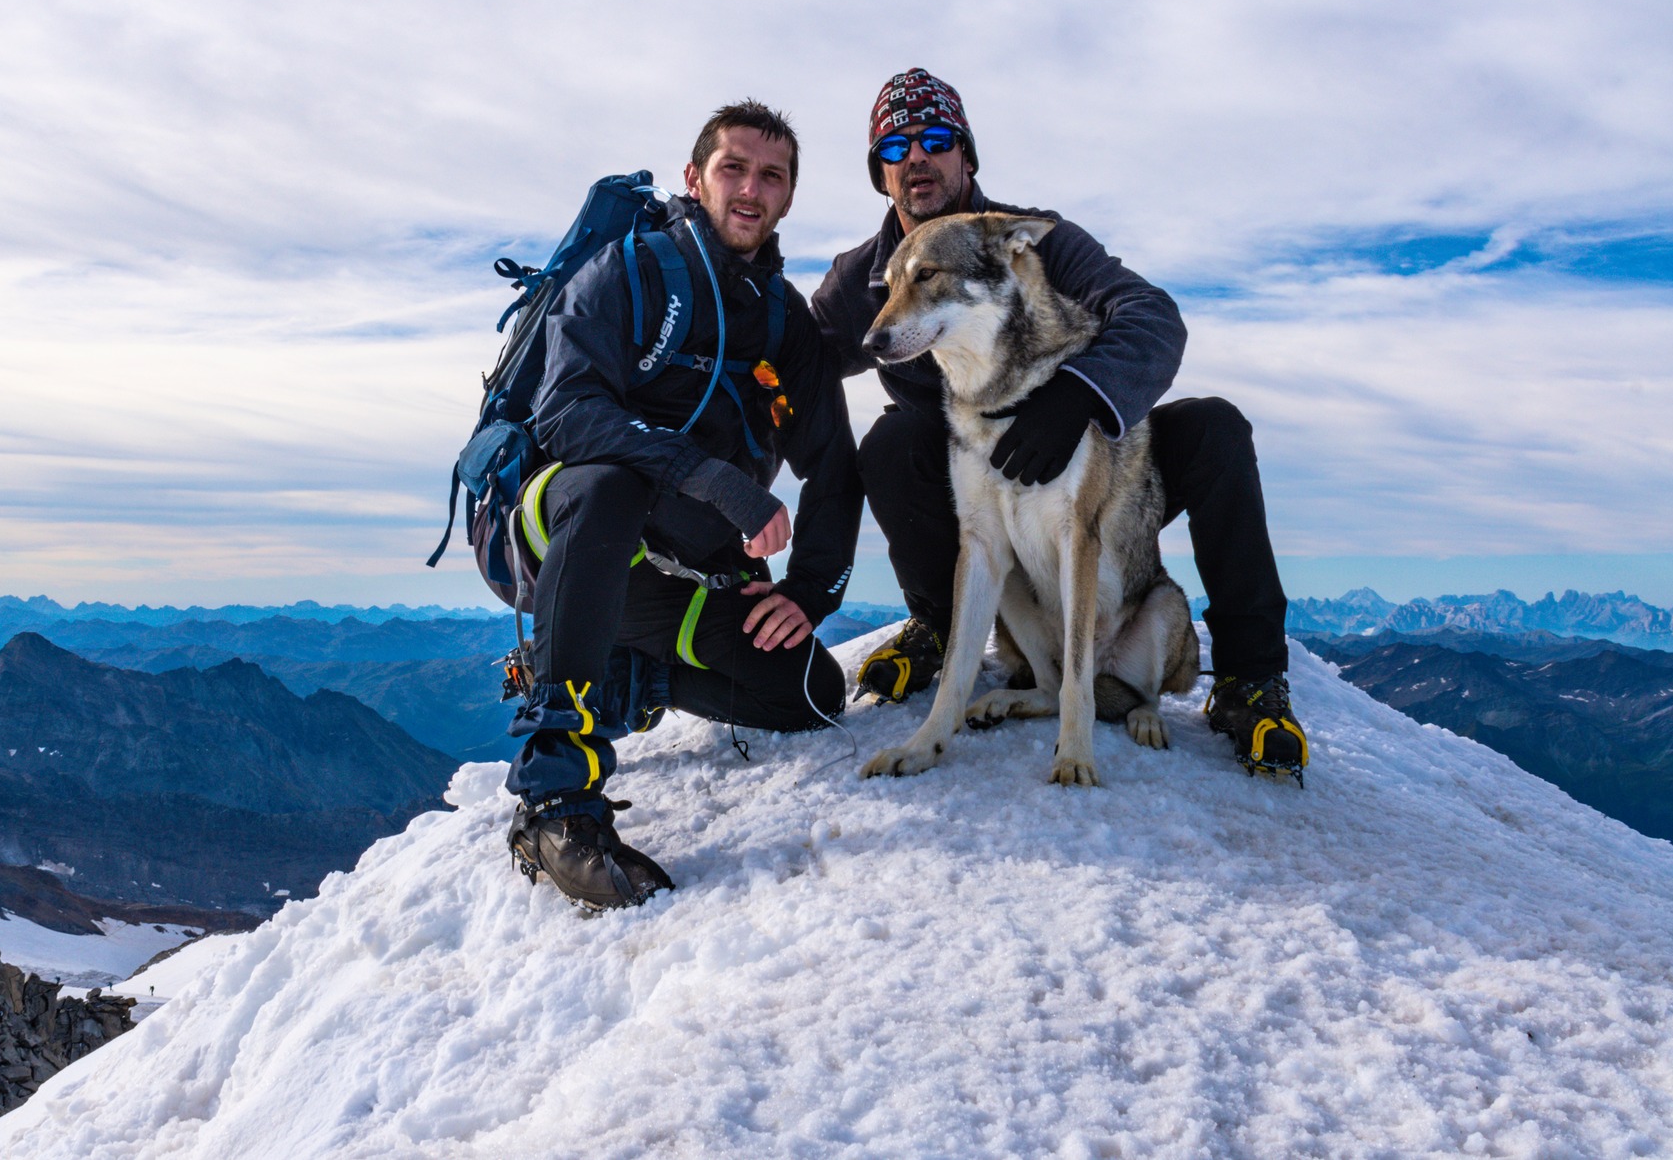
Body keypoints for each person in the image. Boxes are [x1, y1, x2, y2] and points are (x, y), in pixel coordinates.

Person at [809, 68, 1305, 777]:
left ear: (966, 156)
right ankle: (939, 625)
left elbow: (1152, 317)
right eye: (895, 147)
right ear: (881, 175)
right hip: (970, 471)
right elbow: (795, 359)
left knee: (1216, 427)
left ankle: (1249, 680)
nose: (916, 156)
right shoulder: (868, 275)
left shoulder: (1033, 241)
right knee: (892, 443)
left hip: (1088, 458)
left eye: (937, 138)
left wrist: (1077, 396)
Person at [505, 100, 862, 909]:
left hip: (676, 570)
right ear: (694, 178)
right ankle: (554, 804)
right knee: (610, 480)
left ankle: (625, 673)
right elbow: (567, 413)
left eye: (772, 175)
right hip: (562, 531)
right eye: (733, 167)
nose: (750, 188)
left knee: (806, 692)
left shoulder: (783, 321)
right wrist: (713, 477)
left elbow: (835, 467)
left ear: (788, 198)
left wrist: (808, 592)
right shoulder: (629, 272)